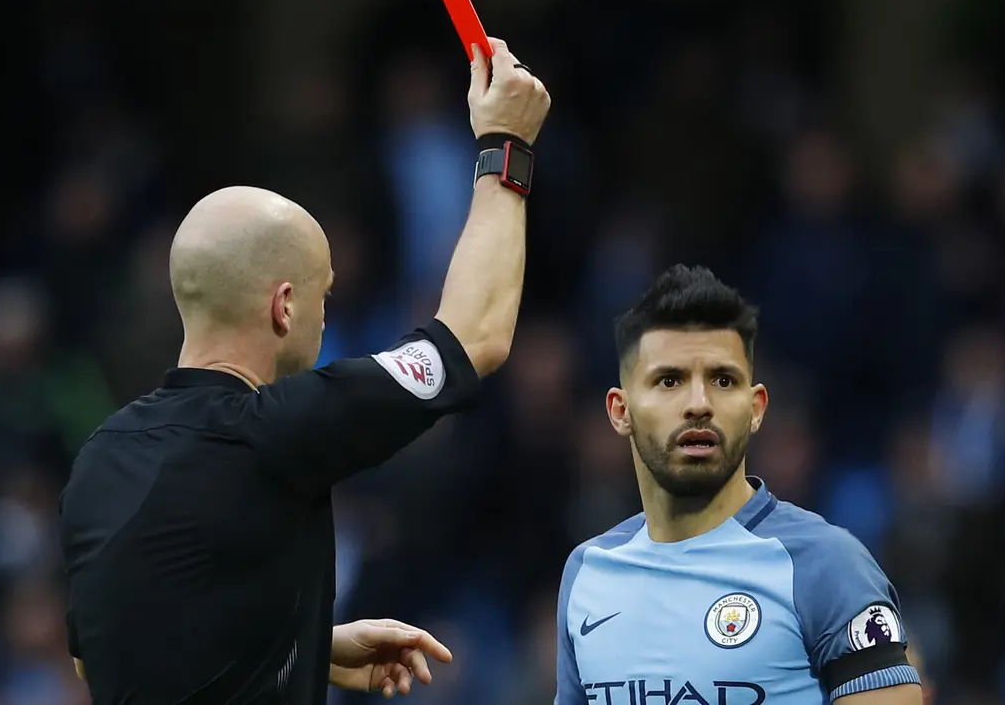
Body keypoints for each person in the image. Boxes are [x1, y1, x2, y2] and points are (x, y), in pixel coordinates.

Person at [59, 37, 550, 705]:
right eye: (323, 296)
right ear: (284, 306)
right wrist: (507, 144)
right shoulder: (274, 433)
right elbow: (476, 336)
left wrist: (307, 642)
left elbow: (107, 654)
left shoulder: (98, 457)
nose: (326, 319)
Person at [553, 264, 924, 705]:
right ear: (621, 411)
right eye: (669, 380)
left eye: (722, 380)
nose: (698, 404)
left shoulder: (827, 566)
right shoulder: (588, 573)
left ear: (756, 407)